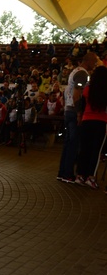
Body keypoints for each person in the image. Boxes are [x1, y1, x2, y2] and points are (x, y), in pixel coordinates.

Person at [57, 51, 98, 183]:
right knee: (73, 144)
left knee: (68, 143)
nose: (95, 64)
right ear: (88, 61)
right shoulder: (82, 74)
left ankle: (62, 172)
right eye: (94, 61)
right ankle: (68, 174)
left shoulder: (75, 71)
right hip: (74, 112)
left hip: (69, 110)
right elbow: (76, 95)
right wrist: (79, 114)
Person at [74, 65, 107, 190]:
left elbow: (82, 105)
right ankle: (90, 177)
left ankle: (80, 175)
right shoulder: (105, 90)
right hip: (101, 121)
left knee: (84, 149)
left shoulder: (87, 89)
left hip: (86, 120)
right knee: (96, 151)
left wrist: (80, 117)